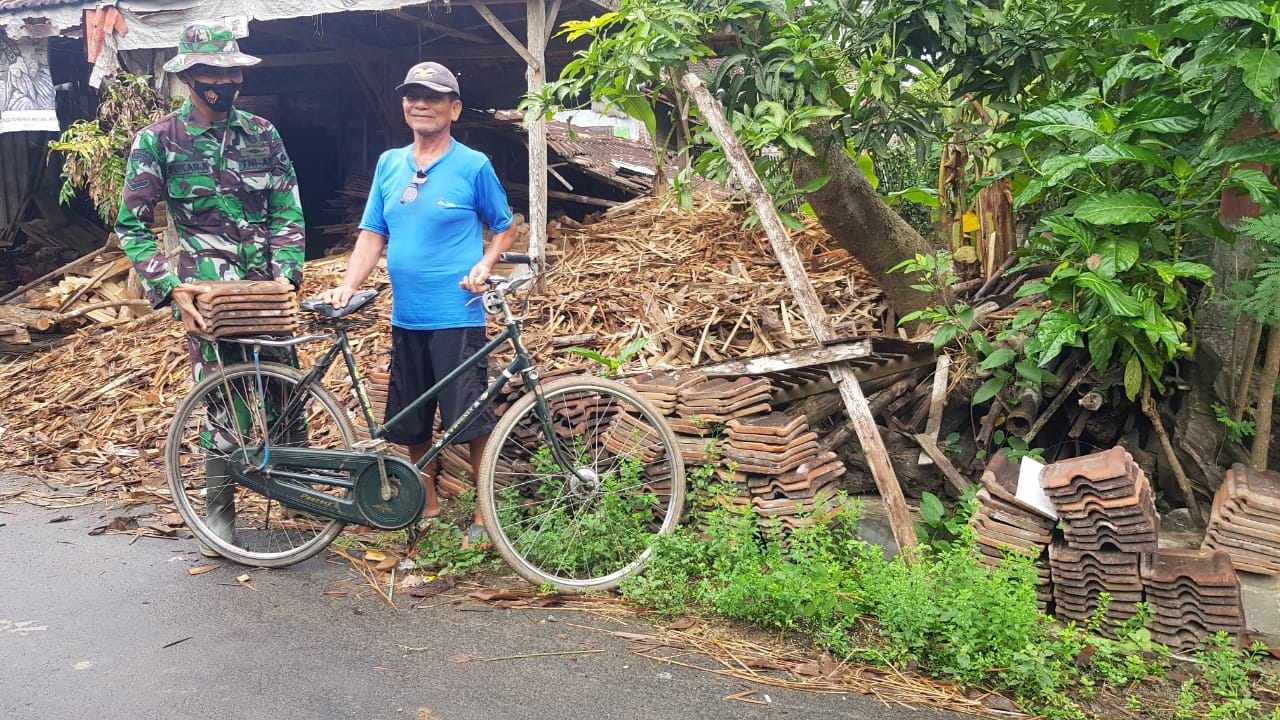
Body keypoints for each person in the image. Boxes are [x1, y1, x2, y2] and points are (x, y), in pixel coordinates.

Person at [116, 21, 306, 556]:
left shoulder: (263, 134)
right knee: (222, 399)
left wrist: (287, 271)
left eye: (231, 70)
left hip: (267, 290)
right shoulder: (158, 142)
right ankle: (221, 511)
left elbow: (286, 205)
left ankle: (300, 494)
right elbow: (130, 224)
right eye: (212, 72)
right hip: (207, 297)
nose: (224, 79)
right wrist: (171, 288)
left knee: (286, 387)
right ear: (189, 77)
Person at [318, 61, 517, 549]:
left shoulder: (473, 165)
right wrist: (347, 284)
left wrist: (487, 264)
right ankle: (423, 504)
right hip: (407, 315)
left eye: (432, 97)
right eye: (411, 95)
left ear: (455, 108)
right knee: (412, 418)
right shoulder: (390, 164)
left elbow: (505, 225)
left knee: (470, 419)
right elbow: (372, 234)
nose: (420, 104)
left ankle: (483, 512)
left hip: (457, 315)